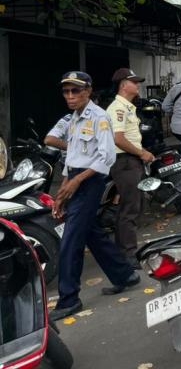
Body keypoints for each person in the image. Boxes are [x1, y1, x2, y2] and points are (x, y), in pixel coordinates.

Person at [50, 71, 140, 321]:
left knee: (70, 241)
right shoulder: (73, 120)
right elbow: (73, 156)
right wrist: (65, 186)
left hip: (90, 181)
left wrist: (77, 180)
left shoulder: (100, 118)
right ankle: (125, 275)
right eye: (66, 91)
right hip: (76, 180)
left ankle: (69, 299)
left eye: (75, 91)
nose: (70, 96)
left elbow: (106, 157)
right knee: (92, 234)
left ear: (88, 91)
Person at [106, 68, 155, 268]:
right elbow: (118, 139)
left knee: (134, 205)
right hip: (125, 161)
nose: (138, 85)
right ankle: (127, 255)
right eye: (134, 82)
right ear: (123, 85)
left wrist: (143, 152)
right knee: (130, 208)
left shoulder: (127, 108)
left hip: (131, 160)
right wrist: (141, 153)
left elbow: (129, 136)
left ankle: (125, 251)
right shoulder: (117, 108)